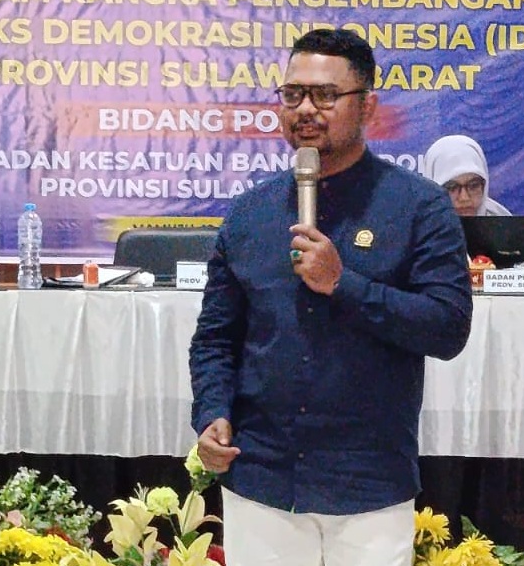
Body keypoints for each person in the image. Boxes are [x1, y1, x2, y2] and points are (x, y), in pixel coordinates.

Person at [189, 28, 473, 566]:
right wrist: (212, 413)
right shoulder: (250, 214)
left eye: (325, 95)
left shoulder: (418, 207)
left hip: (368, 482)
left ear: (367, 106)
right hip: (262, 479)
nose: (305, 109)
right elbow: (215, 340)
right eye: (293, 94)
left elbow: (447, 327)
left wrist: (345, 285)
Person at [423, 134, 512, 216]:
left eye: (474, 186)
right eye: (451, 188)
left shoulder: (503, 222)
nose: (464, 198)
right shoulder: (418, 226)